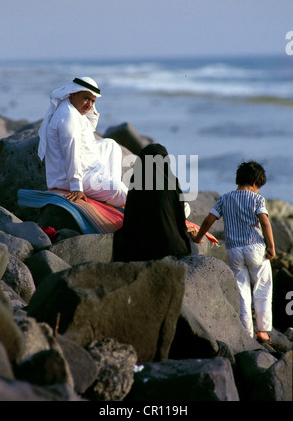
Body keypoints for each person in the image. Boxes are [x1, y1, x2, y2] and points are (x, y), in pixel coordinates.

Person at [192, 161, 275, 344]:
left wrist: (198, 237)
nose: (258, 191)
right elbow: (265, 222)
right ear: (255, 183)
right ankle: (262, 331)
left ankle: (247, 333)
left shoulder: (224, 198)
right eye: (259, 187)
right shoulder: (257, 199)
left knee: (242, 291)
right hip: (255, 248)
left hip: (234, 250)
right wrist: (271, 246)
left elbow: (208, 219)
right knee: (263, 287)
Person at [38, 77, 128, 207]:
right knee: (120, 190)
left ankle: (106, 184)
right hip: (67, 178)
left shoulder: (73, 108)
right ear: (73, 93)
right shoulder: (68, 117)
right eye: (86, 98)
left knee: (110, 145)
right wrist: (76, 187)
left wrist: (88, 103)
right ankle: (113, 195)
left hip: (85, 164)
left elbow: (90, 127)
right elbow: (71, 153)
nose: (90, 105)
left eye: (93, 101)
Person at [113, 143, 192, 262]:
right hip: (174, 249)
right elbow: (179, 218)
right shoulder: (172, 181)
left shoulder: (136, 180)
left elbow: (130, 217)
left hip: (142, 251)